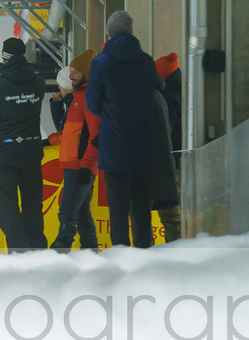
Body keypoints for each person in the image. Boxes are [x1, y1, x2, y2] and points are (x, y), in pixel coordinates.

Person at [86, 11, 158, 248]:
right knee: (141, 202)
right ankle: (144, 249)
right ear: (131, 31)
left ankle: (120, 250)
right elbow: (156, 90)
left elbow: (93, 103)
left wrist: (112, 112)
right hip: (143, 142)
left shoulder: (101, 63)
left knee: (117, 202)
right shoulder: (147, 61)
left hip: (114, 143)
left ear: (109, 33)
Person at [0, 37, 46, 253]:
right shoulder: (38, 83)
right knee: (33, 205)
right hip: (31, 153)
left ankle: (20, 250)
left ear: (4, 58)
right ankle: (36, 248)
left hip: (3, 157)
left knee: (7, 206)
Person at [47, 49, 101, 252]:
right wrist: (47, 141)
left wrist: (86, 165)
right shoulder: (80, 97)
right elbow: (68, 132)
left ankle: (61, 247)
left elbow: (96, 134)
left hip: (80, 164)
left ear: (86, 73)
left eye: (75, 72)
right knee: (80, 211)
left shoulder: (89, 98)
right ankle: (90, 249)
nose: (71, 76)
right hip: (75, 163)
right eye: (70, 71)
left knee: (68, 210)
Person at [155, 52, 183, 242]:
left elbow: (165, 131)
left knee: (170, 213)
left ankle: (175, 247)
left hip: (170, 161)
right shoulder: (180, 93)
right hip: (175, 159)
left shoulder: (169, 98)